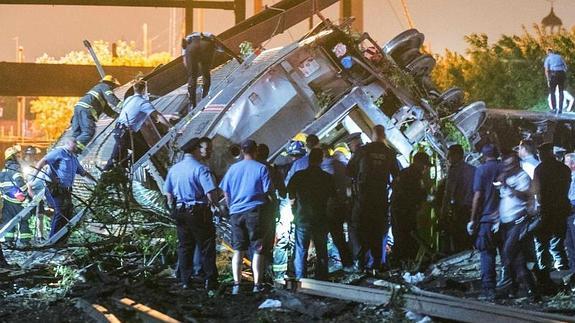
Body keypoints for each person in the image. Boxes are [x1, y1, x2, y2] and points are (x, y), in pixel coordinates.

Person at [164, 138, 219, 291]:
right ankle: (210, 280)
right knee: (206, 245)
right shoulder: (201, 169)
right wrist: (215, 206)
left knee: (184, 246)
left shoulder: (174, 169)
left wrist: (172, 208)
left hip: (180, 210)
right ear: (195, 149)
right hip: (198, 211)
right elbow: (210, 193)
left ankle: (185, 280)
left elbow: (168, 193)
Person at [219, 140, 271, 294]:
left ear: (242, 151)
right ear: (256, 151)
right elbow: (268, 192)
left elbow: (225, 191)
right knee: (257, 249)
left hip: (236, 213)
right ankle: (257, 285)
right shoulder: (262, 168)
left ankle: (236, 285)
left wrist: (231, 206)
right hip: (255, 212)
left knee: (238, 249)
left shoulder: (233, 169)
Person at [347, 125, 399, 272]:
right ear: (384, 136)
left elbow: (349, 171)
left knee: (360, 228)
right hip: (381, 198)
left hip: (363, 199)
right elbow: (397, 177)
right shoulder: (389, 153)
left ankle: (363, 263)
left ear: (372, 135)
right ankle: (378, 263)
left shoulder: (363, 151)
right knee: (379, 230)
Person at [32, 137, 96, 239]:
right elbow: (43, 161)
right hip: (55, 189)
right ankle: (53, 240)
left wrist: (96, 182)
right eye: (75, 143)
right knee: (60, 211)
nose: (77, 146)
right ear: (69, 143)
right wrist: (33, 176)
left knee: (68, 212)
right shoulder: (59, 152)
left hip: (66, 190)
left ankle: (62, 239)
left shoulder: (73, 158)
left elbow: (83, 173)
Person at [287, 148, 335, 280]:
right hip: (320, 218)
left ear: (309, 159)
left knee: (301, 250)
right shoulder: (327, 178)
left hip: (302, 217)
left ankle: (300, 279)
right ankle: (322, 278)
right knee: (321, 249)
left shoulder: (299, 176)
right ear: (321, 160)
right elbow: (332, 199)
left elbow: (290, 195)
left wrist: (294, 211)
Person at [103, 79, 171, 171]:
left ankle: (115, 172)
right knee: (143, 151)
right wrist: (172, 127)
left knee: (117, 157)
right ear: (144, 90)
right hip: (126, 134)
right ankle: (120, 170)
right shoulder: (143, 102)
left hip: (118, 131)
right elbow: (158, 116)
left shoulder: (129, 99)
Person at [496, 152, 536, 298]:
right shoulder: (507, 177)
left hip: (518, 221)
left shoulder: (522, 177)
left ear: (517, 163)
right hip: (506, 223)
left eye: (511, 164)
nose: (508, 167)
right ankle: (529, 290)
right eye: (506, 165)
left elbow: (525, 195)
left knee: (508, 252)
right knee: (517, 258)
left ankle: (508, 285)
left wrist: (507, 185)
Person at [532, 143, 571, 280]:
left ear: (544, 154)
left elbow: (536, 192)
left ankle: (544, 272)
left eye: (540, 154)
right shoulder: (564, 168)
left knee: (542, 242)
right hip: (562, 208)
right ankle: (563, 270)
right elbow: (566, 187)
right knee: (558, 241)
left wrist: (540, 206)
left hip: (547, 210)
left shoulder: (540, 169)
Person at [467, 144, 500, 301]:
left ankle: (489, 289)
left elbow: (478, 195)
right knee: (509, 254)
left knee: (487, 254)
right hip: (505, 218)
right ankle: (515, 286)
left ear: (483, 155)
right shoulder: (504, 168)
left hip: (487, 219)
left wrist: (473, 219)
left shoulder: (481, 170)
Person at [182, 32, 243, 109]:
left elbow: (185, 59)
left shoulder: (189, 39)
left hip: (192, 47)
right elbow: (223, 47)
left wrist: (191, 67)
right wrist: (237, 57)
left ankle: (192, 105)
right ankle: (204, 100)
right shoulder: (210, 37)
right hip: (206, 45)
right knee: (206, 73)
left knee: (192, 76)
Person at [391, 152, 432, 265]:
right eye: (424, 165)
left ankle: (399, 261)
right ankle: (407, 261)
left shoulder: (404, 172)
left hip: (397, 208)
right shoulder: (415, 175)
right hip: (405, 210)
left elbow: (394, 186)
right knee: (408, 236)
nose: (425, 168)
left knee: (400, 236)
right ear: (418, 163)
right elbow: (420, 194)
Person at [320, 144, 353, 269]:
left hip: (327, 207)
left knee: (324, 238)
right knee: (339, 237)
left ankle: (326, 266)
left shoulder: (323, 168)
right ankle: (347, 263)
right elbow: (349, 184)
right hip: (342, 205)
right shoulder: (342, 166)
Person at [71, 75, 121, 152]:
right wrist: (124, 106)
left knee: (77, 132)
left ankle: (66, 148)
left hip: (79, 108)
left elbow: (109, 111)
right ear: (111, 84)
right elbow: (112, 99)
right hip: (86, 109)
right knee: (88, 132)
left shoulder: (99, 94)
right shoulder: (105, 86)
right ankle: (74, 150)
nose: (114, 89)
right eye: (114, 86)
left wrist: (119, 117)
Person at [441, 144, 476, 253]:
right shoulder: (473, 169)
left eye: (449, 155)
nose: (448, 158)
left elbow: (449, 193)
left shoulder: (454, 171)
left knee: (459, 240)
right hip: (473, 208)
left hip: (460, 209)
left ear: (456, 155)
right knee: (470, 238)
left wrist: (443, 212)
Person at [0, 145, 34, 246]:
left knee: (9, 221)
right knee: (23, 219)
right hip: (18, 199)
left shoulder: (4, 170)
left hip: (7, 200)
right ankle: (25, 242)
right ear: (13, 157)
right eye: (17, 155)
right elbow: (19, 181)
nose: (19, 156)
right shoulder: (15, 167)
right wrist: (26, 193)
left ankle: (9, 241)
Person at [544, 48, 568, 114]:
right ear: (553, 52)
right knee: (561, 91)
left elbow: (546, 70)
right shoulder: (560, 56)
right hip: (561, 74)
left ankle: (554, 109)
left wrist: (548, 79)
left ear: (548, 53)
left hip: (553, 75)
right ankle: (560, 109)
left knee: (552, 92)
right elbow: (566, 67)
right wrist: (563, 72)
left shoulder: (548, 59)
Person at [563, 153, 575, 272]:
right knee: (569, 243)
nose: (564, 164)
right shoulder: (567, 176)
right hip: (567, 212)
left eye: (566, 162)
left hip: (573, 211)